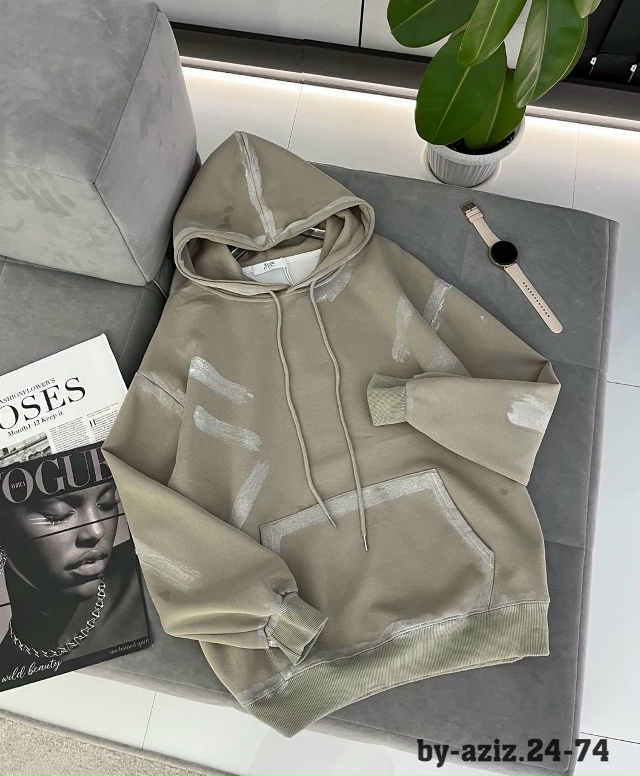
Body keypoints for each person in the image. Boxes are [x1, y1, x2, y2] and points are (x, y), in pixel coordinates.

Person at [0, 480, 147, 673]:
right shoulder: (7, 667)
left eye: (107, 503)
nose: (97, 531)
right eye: (58, 514)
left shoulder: (150, 577)